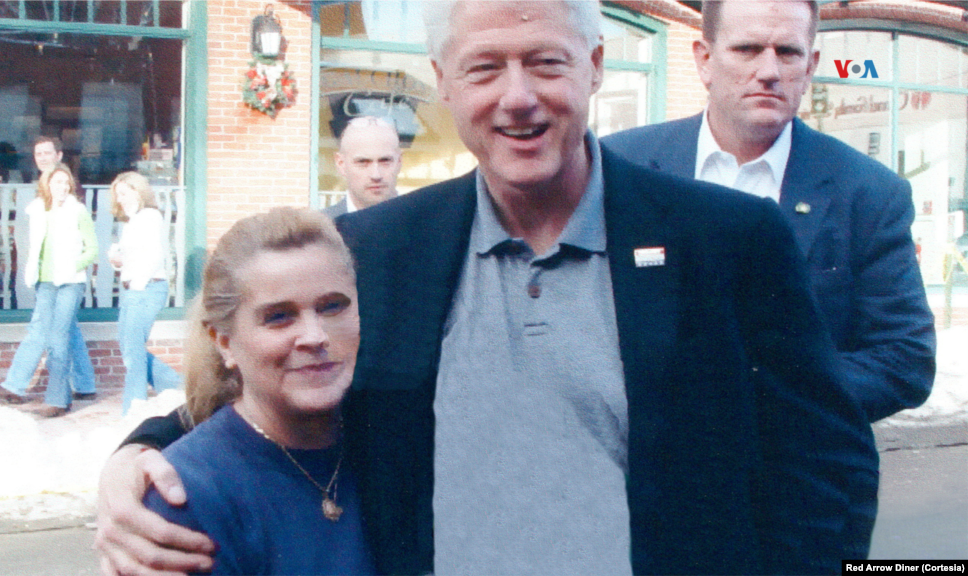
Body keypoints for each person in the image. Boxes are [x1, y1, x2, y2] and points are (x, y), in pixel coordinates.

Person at [94, 1, 878, 574]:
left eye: (545, 62)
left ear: (595, 67)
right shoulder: (378, 250)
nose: (517, 97)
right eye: (484, 67)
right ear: (443, 82)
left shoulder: (727, 240)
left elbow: (827, 462)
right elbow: (275, 391)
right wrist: (142, 456)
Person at [602, 0, 935, 554]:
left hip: (805, 509)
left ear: (810, 65)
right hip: (648, 502)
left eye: (787, 51)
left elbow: (904, 357)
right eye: (747, 49)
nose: (769, 69)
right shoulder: (622, 171)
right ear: (704, 59)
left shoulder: (867, 193)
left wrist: (761, 390)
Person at [142, 207, 376, 575]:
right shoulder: (189, 494)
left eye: (333, 307)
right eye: (279, 316)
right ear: (224, 342)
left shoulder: (393, 448)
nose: (315, 336)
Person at [0, 138, 97, 407]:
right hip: (46, 279)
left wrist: (70, 266)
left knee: (48, 332)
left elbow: (87, 243)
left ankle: (19, 385)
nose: (43, 157)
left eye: (48, 153)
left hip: (67, 279)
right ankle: (84, 384)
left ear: (60, 155)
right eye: (38, 153)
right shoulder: (42, 194)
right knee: (67, 330)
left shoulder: (69, 191)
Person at [108, 172, 182, 415]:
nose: (120, 199)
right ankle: (176, 386)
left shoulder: (149, 216)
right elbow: (127, 258)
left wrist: (137, 284)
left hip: (147, 288)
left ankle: (134, 405)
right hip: (134, 289)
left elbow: (154, 257)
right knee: (130, 346)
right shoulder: (133, 220)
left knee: (132, 348)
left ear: (139, 191)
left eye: (125, 193)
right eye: (117, 195)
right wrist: (116, 260)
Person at [322, 116, 402, 217]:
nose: (376, 175)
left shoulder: (424, 225)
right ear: (341, 164)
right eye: (362, 162)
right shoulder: (317, 229)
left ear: (399, 161)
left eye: (385, 161)